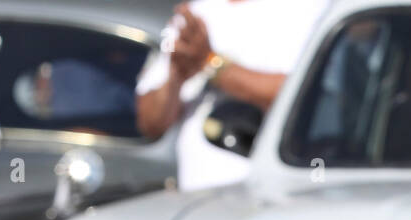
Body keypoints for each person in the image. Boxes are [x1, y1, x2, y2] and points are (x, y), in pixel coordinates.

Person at [135, 0, 328, 191]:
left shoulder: (310, 9)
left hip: (270, 200)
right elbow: (151, 122)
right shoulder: (195, 14)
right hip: (195, 201)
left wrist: (211, 63)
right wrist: (176, 75)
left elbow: (303, 96)